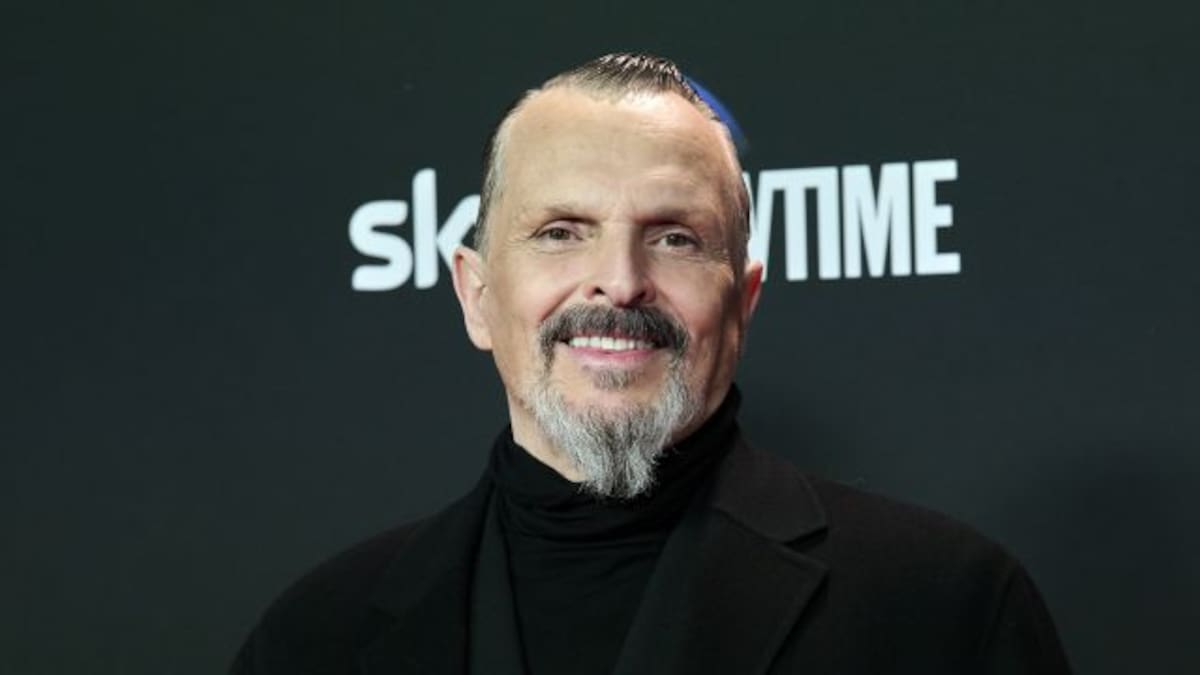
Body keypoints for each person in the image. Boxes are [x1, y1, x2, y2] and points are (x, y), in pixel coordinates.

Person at [232, 53, 1071, 674]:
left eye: (674, 237)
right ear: (475, 295)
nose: (621, 281)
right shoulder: (312, 638)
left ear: (743, 300)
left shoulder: (946, 607)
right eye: (561, 231)